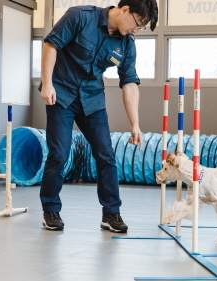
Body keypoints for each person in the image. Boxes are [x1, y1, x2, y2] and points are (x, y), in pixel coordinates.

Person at [39, 1, 158, 232]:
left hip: (92, 101)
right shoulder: (80, 16)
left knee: (106, 155)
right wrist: (47, 84)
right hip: (61, 94)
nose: (136, 30)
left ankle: (111, 214)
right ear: (125, 10)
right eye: (137, 24)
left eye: (141, 28)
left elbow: (130, 83)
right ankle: (50, 209)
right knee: (59, 154)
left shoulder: (126, 44)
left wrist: (135, 124)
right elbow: (51, 45)